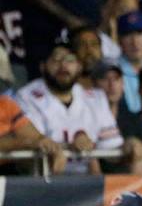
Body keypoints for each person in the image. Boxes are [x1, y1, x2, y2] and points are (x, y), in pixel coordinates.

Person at [15, 43, 124, 174]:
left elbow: (112, 151)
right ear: (43, 66)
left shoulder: (96, 98)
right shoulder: (26, 96)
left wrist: (130, 145)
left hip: (88, 183)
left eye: (70, 60)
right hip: (44, 181)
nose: (63, 65)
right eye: (56, 59)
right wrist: (71, 147)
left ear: (79, 67)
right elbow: (35, 144)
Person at [0, 93, 67, 173]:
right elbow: (31, 142)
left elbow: (36, 137)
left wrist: (52, 147)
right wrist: (28, 144)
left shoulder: (5, 104)